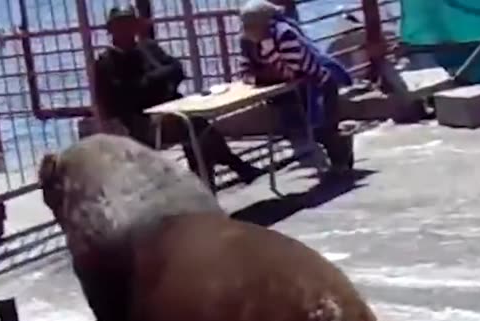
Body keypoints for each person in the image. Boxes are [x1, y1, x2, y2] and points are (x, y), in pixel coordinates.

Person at [92, 5, 263, 186]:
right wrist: (158, 79)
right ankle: (230, 168)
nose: (127, 29)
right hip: (142, 121)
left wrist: (153, 81)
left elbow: (177, 69)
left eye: (130, 23)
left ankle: (206, 180)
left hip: (172, 107)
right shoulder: (107, 62)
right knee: (193, 125)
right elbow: (128, 95)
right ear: (111, 30)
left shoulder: (148, 47)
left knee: (196, 124)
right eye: (121, 25)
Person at [238, 0, 354, 173]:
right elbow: (245, 71)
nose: (247, 29)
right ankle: (336, 156)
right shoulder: (247, 41)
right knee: (300, 126)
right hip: (290, 89)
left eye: (252, 25)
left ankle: (342, 158)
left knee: (322, 126)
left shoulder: (284, 34)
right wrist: (260, 75)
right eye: (245, 25)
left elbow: (295, 71)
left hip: (317, 83)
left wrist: (266, 68)